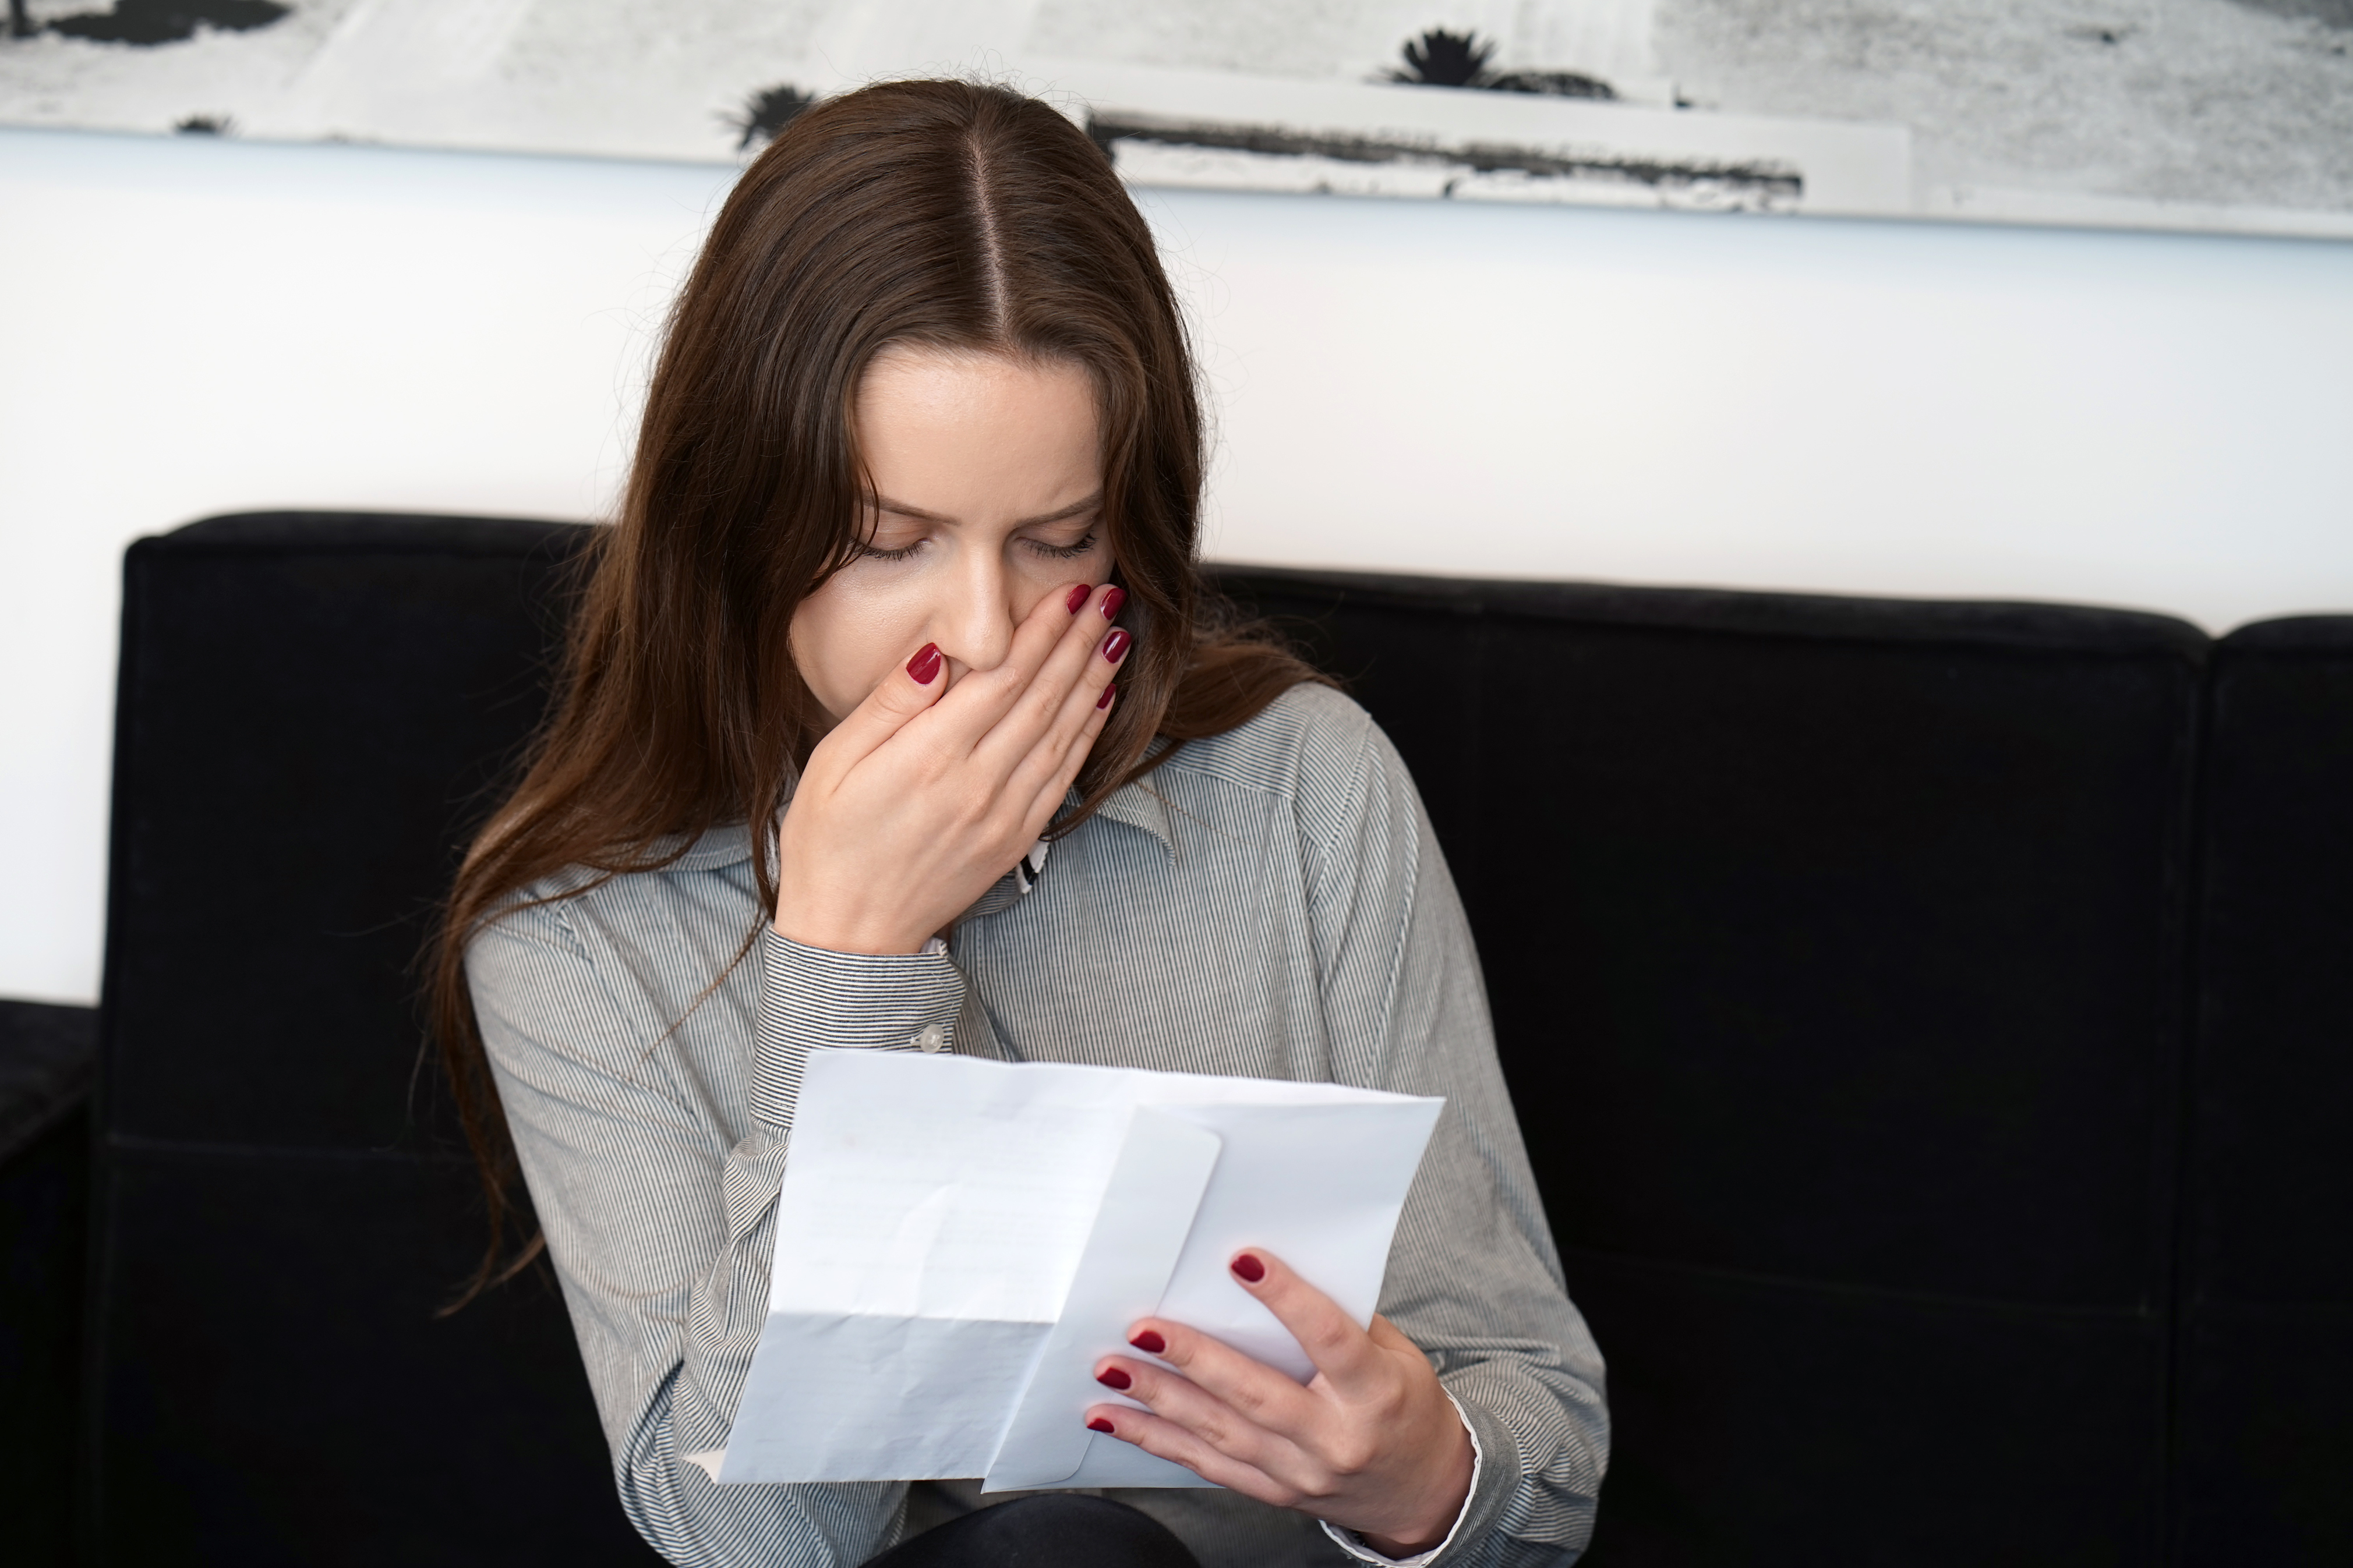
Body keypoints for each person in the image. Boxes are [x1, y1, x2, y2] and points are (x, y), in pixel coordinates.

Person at [433, 78, 1606, 1568]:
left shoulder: (1307, 789)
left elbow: (1542, 1457)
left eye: (1060, 541)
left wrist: (1421, 1472)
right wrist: (849, 960)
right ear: (736, 519)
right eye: (886, 543)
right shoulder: (580, 938)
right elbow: (762, 1546)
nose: (986, 632)